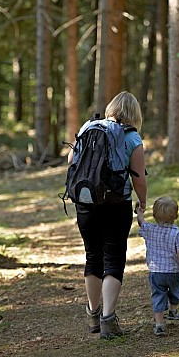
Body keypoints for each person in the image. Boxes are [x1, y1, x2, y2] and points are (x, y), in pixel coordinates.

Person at [68, 91, 147, 339]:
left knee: (93, 257)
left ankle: (93, 313)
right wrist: (142, 201)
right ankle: (108, 320)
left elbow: (72, 160)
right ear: (135, 114)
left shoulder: (88, 126)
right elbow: (139, 177)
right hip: (116, 203)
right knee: (113, 259)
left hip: (86, 201)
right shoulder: (132, 137)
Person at [136, 196, 179, 336]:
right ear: (176, 215)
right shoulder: (177, 233)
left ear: (155, 215)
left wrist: (139, 213)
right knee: (175, 291)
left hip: (156, 272)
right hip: (174, 271)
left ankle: (159, 324)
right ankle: (173, 310)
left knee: (158, 295)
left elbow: (141, 223)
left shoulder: (150, 229)